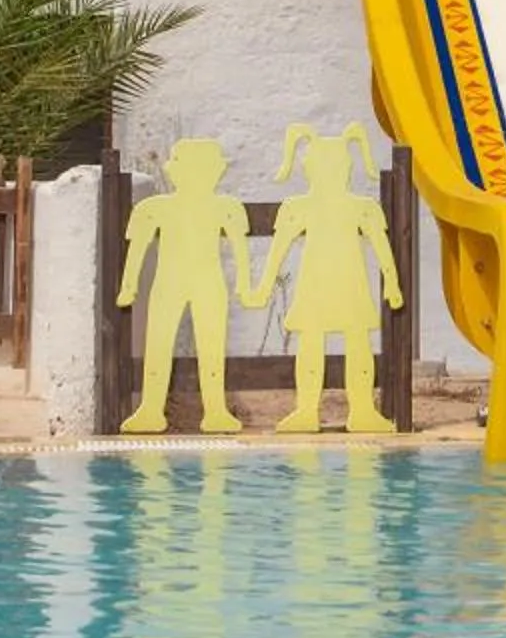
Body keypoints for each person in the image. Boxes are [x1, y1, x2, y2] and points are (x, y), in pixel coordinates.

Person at [245, 122, 404, 434]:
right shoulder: (298, 207)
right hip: (316, 282)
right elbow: (278, 250)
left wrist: (393, 282)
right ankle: (307, 411)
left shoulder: (362, 207)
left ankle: (362, 410)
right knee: (313, 342)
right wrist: (263, 288)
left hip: (349, 281)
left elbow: (382, 247)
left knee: (356, 340)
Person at [115, 138, 252, 435]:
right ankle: (151, 409)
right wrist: (128, 286)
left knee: (211, 345)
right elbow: (136, 249)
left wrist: (244, 285)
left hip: (208, 283)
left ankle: (215, 410)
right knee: (158, 344)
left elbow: (240, 249)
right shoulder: (155, 209)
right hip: (170, 283)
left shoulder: (225, 208)